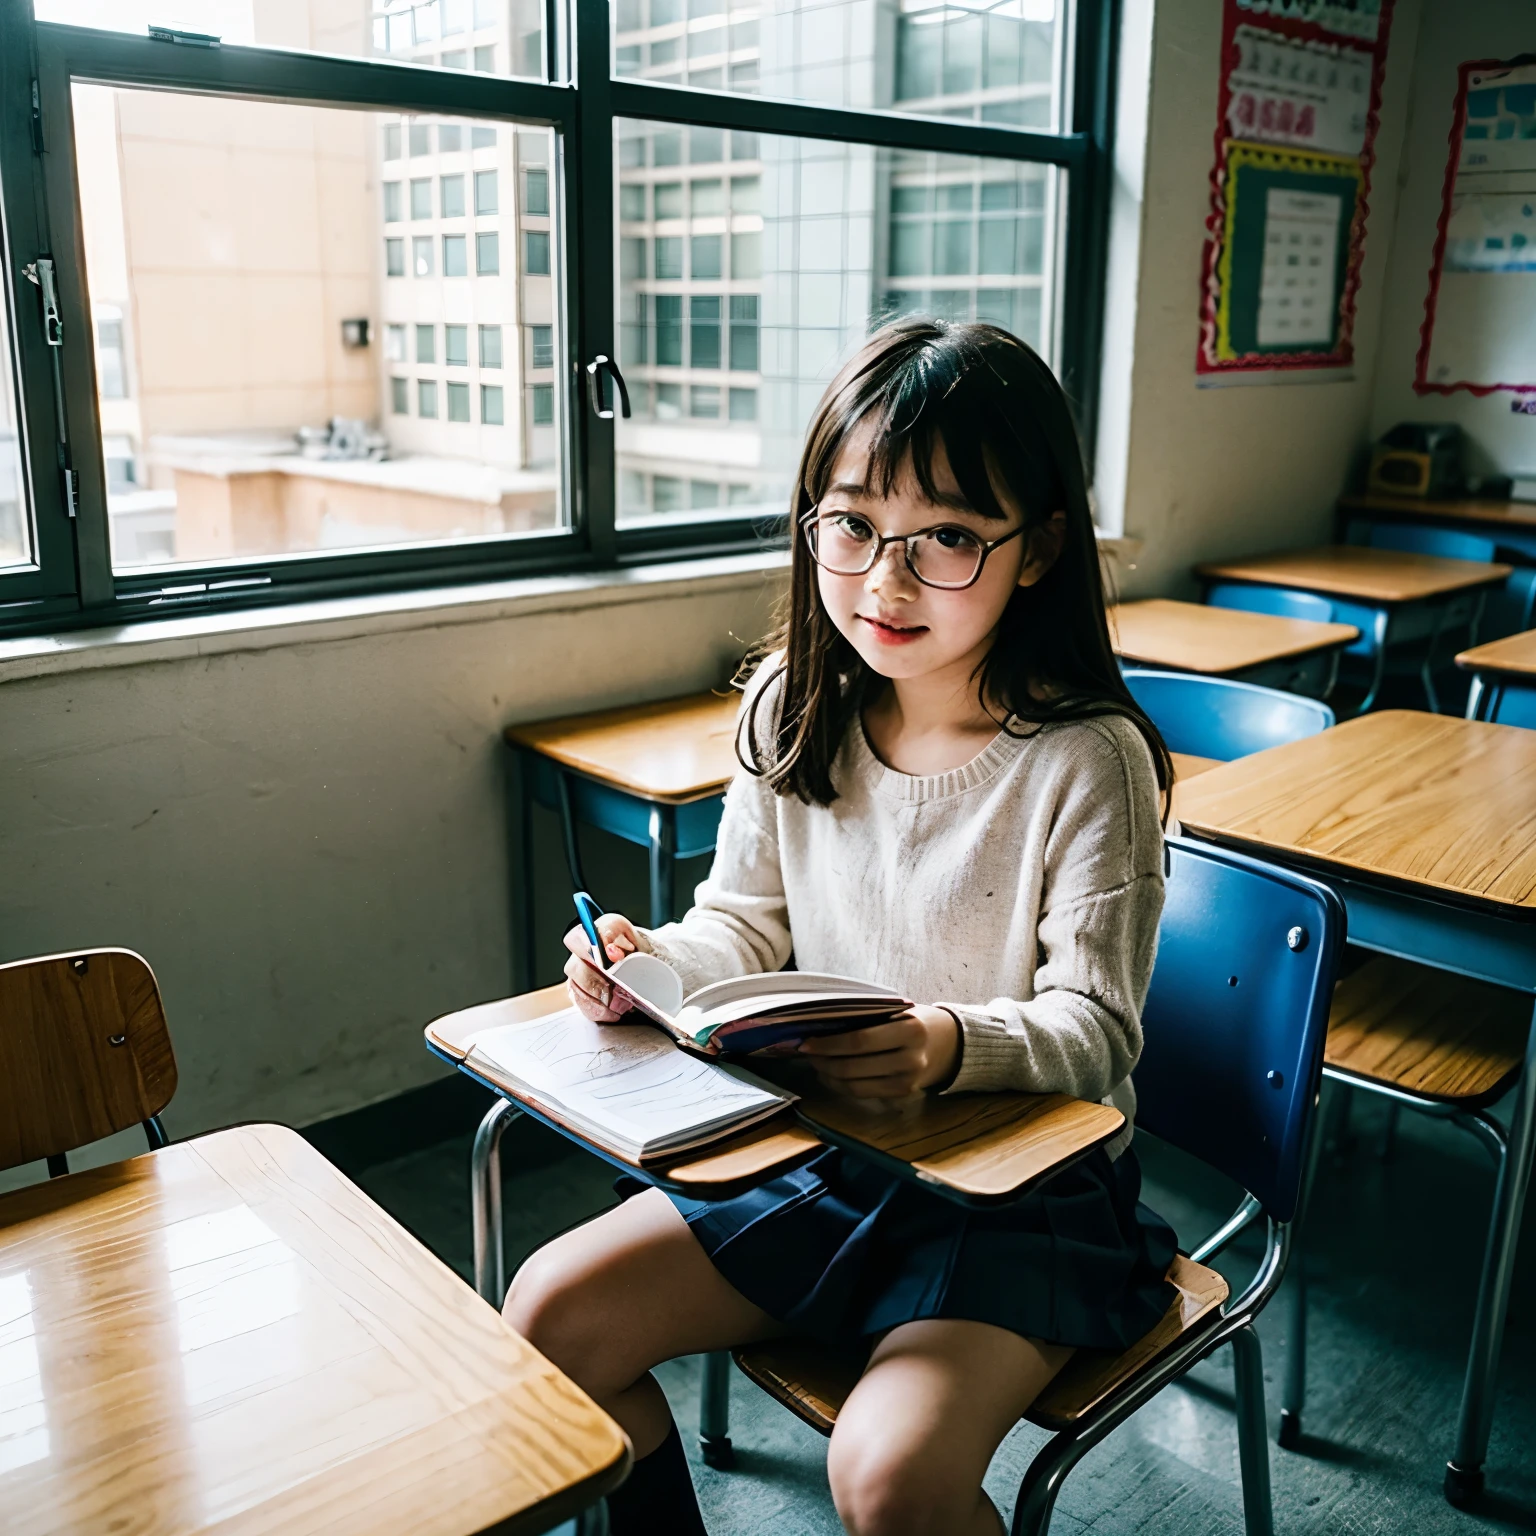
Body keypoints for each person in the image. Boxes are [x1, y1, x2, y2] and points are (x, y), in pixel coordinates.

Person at [504, 317, 1179, 1536]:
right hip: (823, 1153)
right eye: (853, 522)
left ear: (1038, 554)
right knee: (548, 1316)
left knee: (886, 1475)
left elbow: (1098, 1028)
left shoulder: (1089, 762)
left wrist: (944, 1044)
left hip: (1021, 1193)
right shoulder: (791, 703)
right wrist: (653, 969)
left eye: (950, 539)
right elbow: (742, 930)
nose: (884, 578)